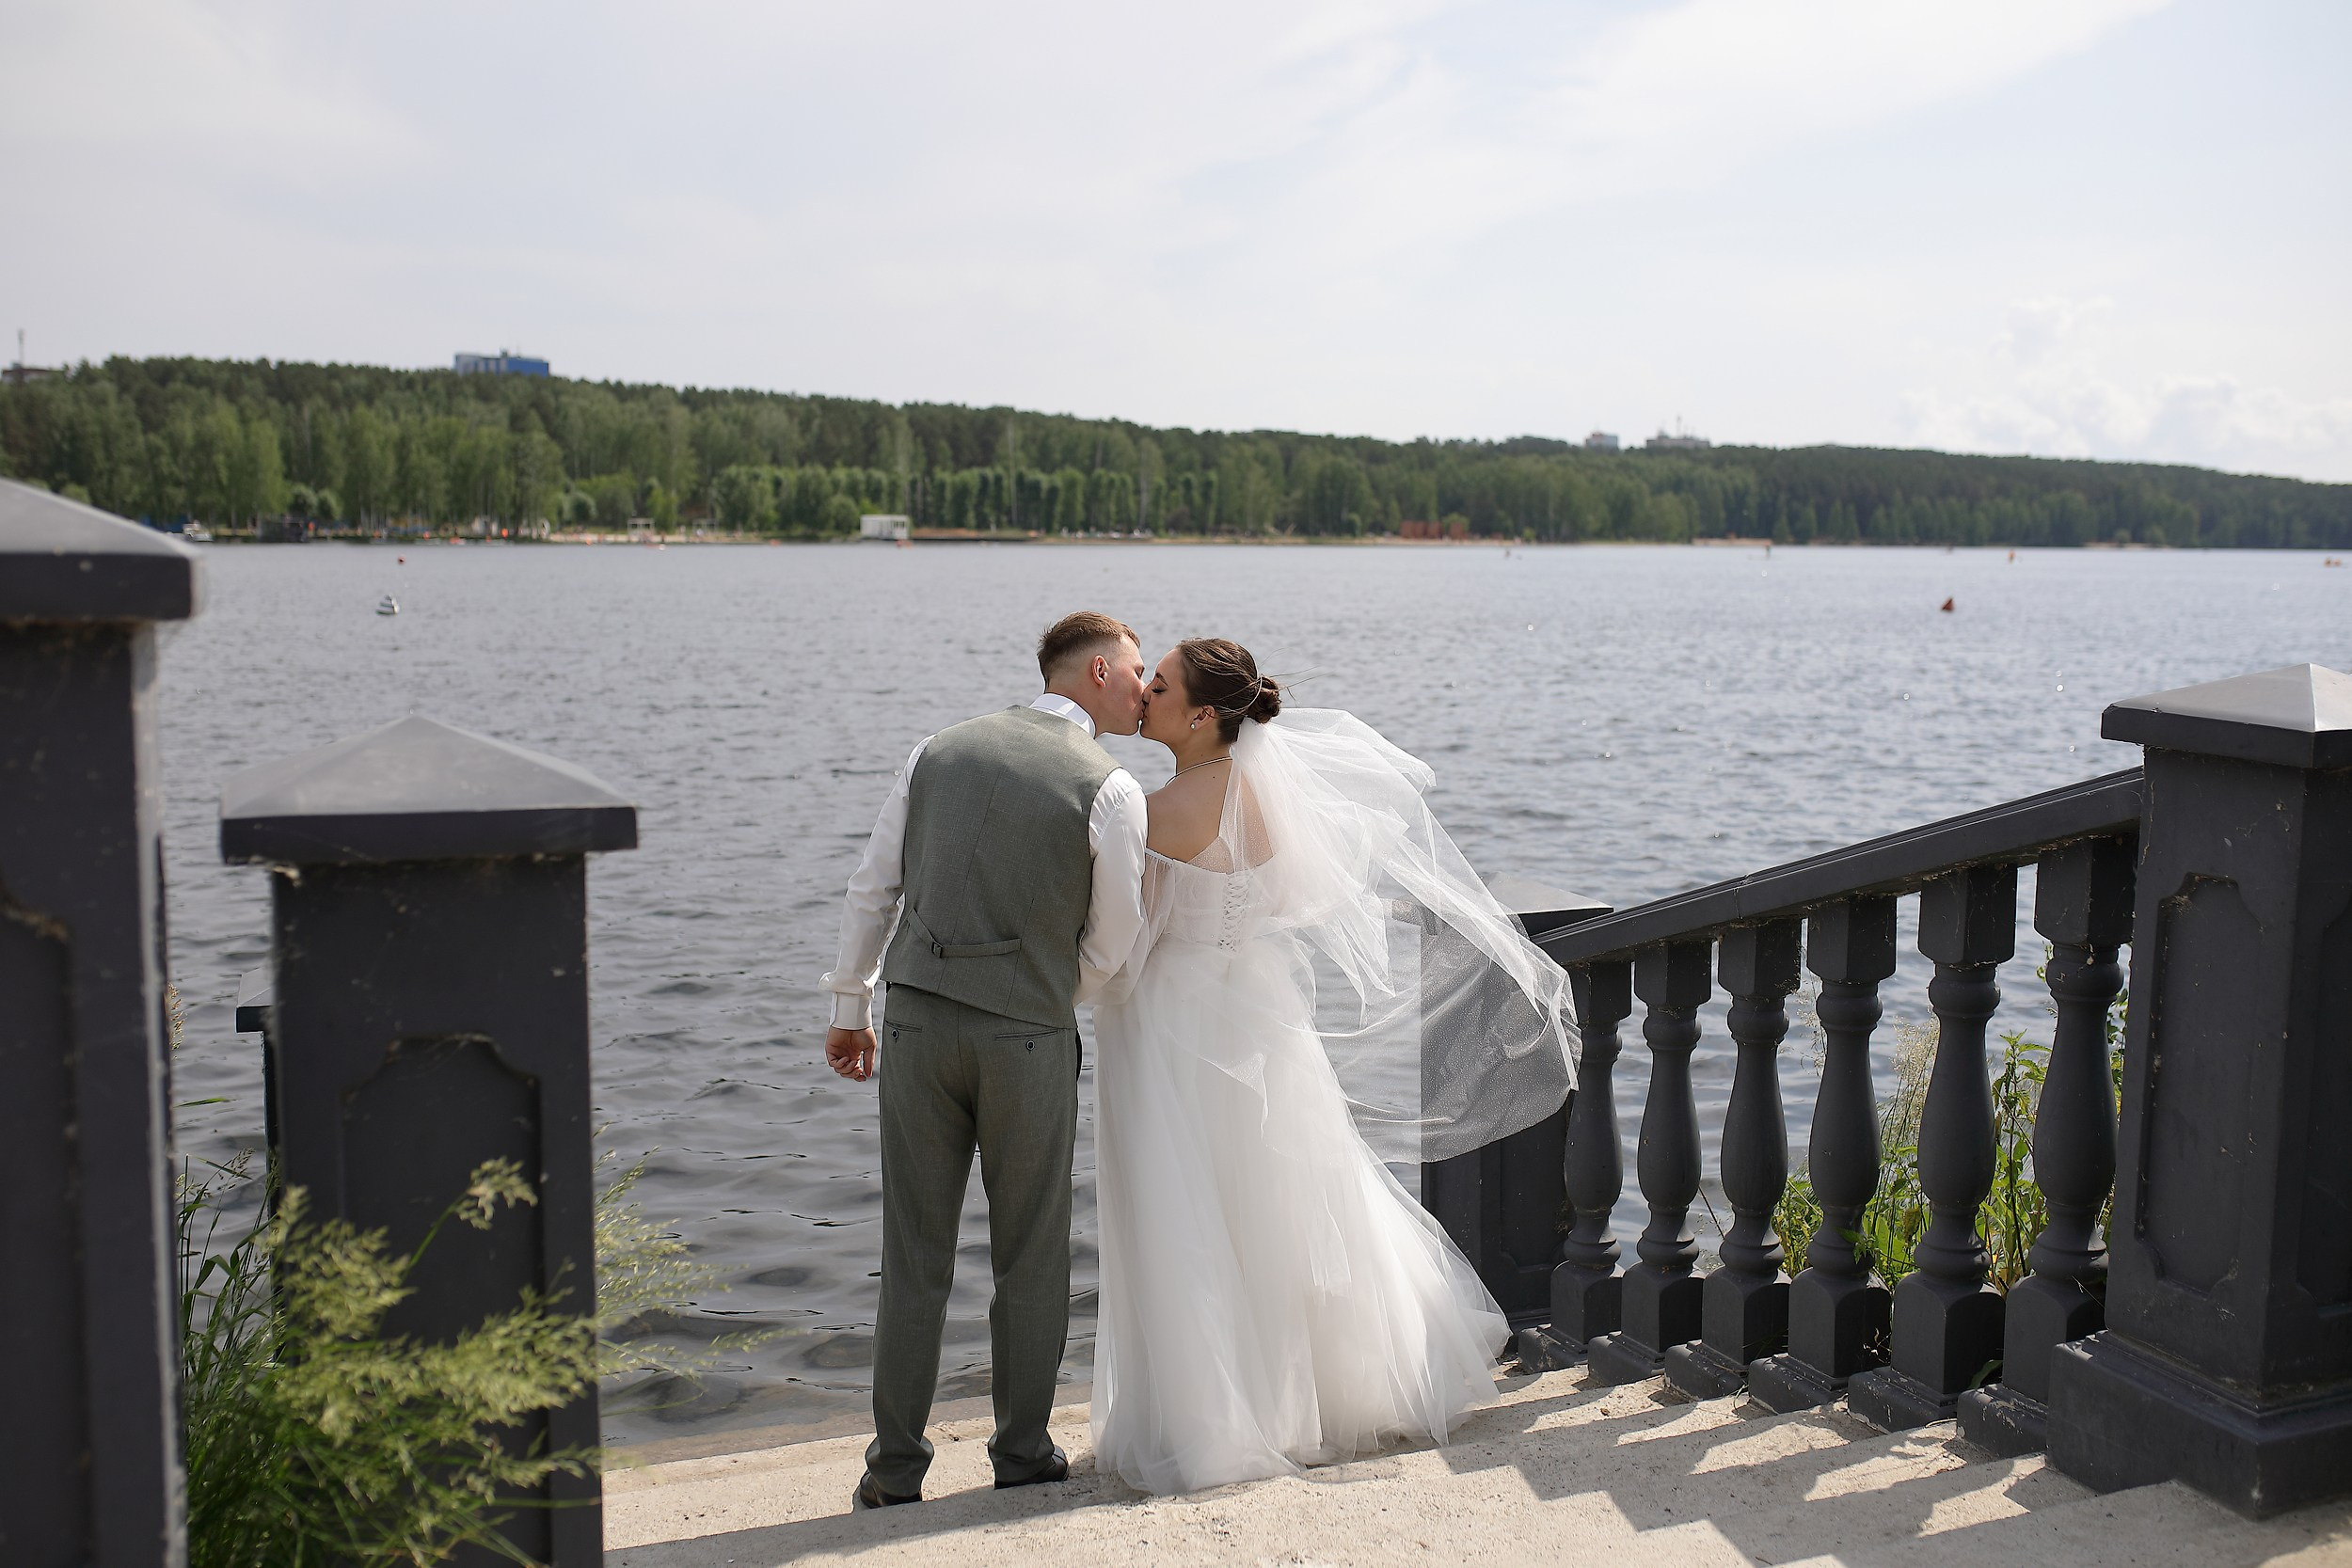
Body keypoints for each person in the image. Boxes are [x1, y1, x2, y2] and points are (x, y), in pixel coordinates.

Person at [1089, 638, 1579, 1496]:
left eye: (1159, 685)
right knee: (1284, 1201)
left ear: (1202, 714)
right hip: (1261, 1010)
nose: (1146, 695)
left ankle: (1212, 1422)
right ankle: (1333, 1389)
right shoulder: (1266, 797)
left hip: (1177, 1023)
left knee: (1187, 1207)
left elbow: (1128, 944)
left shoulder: (1157, 810)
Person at [822, 610, 1152, 1510]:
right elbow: (1115, 940)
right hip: (1028, 1038)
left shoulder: (937, 750)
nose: (1142, 683)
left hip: (919, 1026)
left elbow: (874, 883)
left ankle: (892, 1471)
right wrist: (1041, 988)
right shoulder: (1113, 790)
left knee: (914, 1252)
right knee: (1032, 1251)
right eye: (1132, 668)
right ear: (1090, 674)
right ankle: (1020, 1449)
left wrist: (851, 1004)